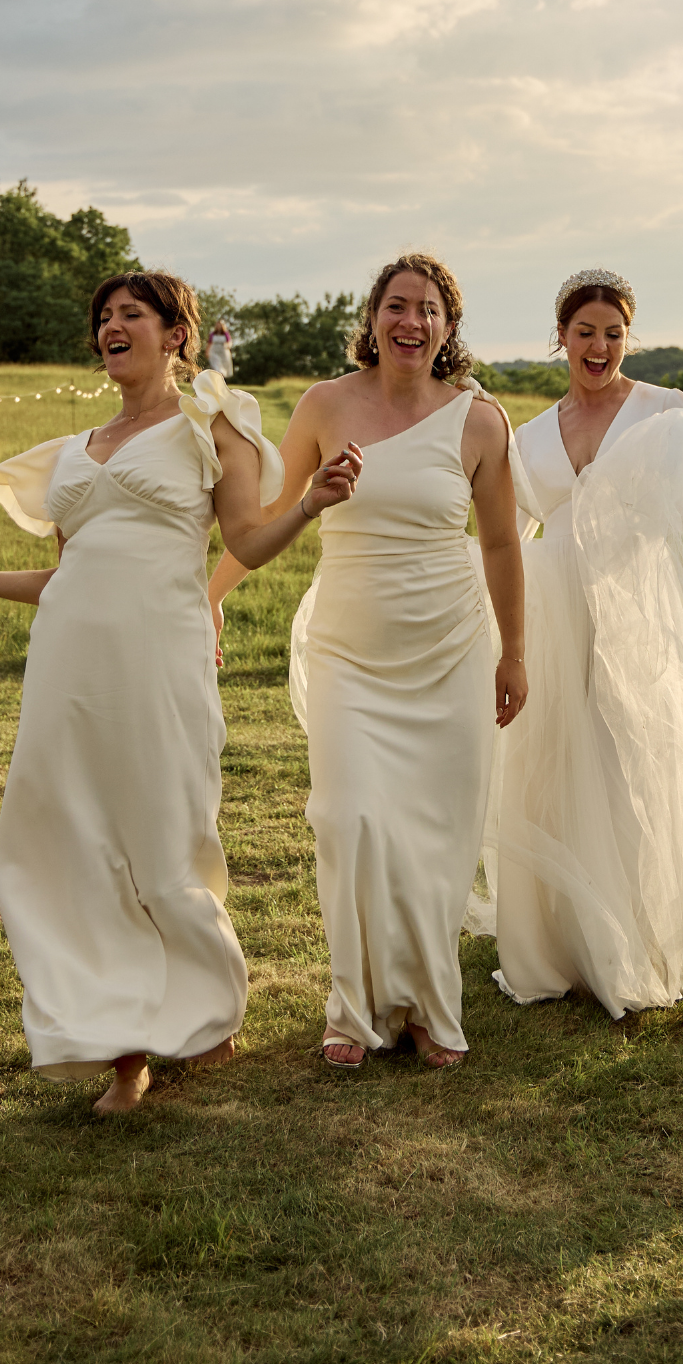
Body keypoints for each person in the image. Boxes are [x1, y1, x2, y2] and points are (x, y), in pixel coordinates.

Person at [0, 271, 360, 1118]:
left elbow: (244, 536)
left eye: (131, 313)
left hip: (160, 658)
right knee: (64, 841)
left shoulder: (213, 427)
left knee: (163, 835)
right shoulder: (72, 450)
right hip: (67, 669)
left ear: (177, 335)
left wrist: (309, 504)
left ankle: (203, 1004)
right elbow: (63, 577)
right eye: (103, 317)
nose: (111, 326)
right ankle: (122, 1048)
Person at [209, 253, 526, 1071]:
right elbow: (270, 516)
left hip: (452, 647)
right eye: (397, 305)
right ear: (373, 317)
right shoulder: (323, 405)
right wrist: (208, 594)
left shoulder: (480, 420)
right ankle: (352, 1009)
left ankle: (425, 1007)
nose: (411, 321)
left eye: (428, 309)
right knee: (350, 821)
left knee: (435, 833)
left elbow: (497, 543)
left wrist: (514, 652)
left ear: (449, 328)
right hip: (351, 648)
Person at [479, 269, 683, 1018]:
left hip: (634, 609)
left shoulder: (662, 411)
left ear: (627, 338)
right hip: (554, 613)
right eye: (585, 332)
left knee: (632, 756)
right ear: (560, 338)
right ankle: (559, 937)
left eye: (614, 333)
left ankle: (638, 930)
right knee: (556, 759)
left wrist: (646, 493)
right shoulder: (528, 434)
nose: (600, 346)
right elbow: (508, 536)